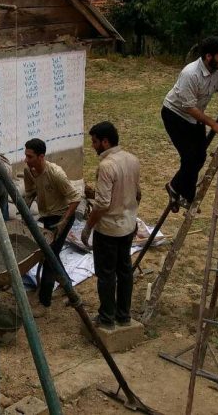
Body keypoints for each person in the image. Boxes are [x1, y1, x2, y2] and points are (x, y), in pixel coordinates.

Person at [81, 122, 140, 328]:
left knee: (106, 274)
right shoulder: (132, 160)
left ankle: (107, 317)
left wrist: (88, 227)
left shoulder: (107, 165)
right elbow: (137, 193)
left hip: (108, 229)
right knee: (125, 271)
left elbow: (102, 204)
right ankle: (123, 315)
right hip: (128, 226)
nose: (93, 146)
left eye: (95, 142)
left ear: (105, 142)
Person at [161, 36, 218, 211]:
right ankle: (187, 196)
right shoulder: (190, 74)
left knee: (200, 157)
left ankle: (175, 188)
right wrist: (214, 124)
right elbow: (189, 107)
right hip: (176, 114)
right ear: (208, 56)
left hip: (196, 115)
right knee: (189, 157)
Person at [22, 138, 82, 309]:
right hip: (47, 217)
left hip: (62, 217)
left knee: (49, 257)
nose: (26, 160)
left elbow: (76, 198)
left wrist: (63, 222)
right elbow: (30, 191)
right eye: (25, 155)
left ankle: (44, 302)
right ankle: (67, 285)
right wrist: (24, 212)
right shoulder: (29, 170)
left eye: (30, 156)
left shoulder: (56, 173)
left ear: (41, 157)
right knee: (51, 254)